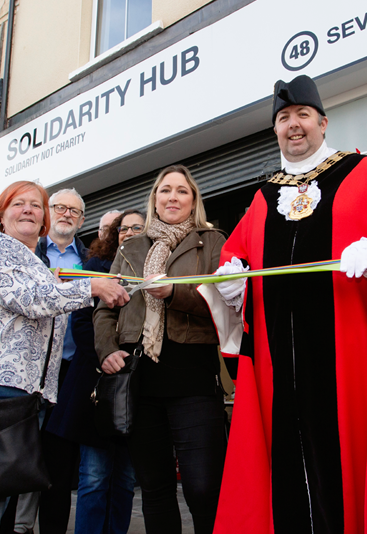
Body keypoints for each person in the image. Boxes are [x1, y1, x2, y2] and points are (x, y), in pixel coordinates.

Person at [208, 75, 367, 533]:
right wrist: (233, 284)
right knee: (285, 483)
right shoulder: (262, 198)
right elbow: (232, 258)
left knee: (350, 474)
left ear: (323, 123)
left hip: (349, 364)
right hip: (279, 371)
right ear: (275, 131)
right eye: (283, 118)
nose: (292, 126)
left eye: (302, 116)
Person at [0, 180, 129, 534]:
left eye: (35, 206)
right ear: (1, 217)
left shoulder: (31, 262)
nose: (28, 210)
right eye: (18, 203)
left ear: (43, 222)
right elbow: (31, 299)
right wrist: (92, 286)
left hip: (20, 396)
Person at [93, 165, 228, 534]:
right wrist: (106, 349)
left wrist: (175, 293)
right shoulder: (132, 246)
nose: (172, 197)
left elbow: (223, 301)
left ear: (193, 200)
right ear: (154, 198)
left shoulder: (212, 240)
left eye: (182, 191)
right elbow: (106, 305)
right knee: (154, 489)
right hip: (140, 381)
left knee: (203, 488)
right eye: (165, 190)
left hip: (194, 379)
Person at [47, 209, 146, 534]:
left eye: (137, 228)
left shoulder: (156, 270)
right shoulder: (94, 269)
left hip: (136, 384)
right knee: (94, 476)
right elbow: (79, 323)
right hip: (95, 383)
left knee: (125, 479)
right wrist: (106, 355)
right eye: (123, 229)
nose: (129, 233)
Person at [27, 187, 90, 534]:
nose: (66, 214)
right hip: (28, 371)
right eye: (60, 207)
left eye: (74, 211)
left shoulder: (89, 261)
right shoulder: (28, 252)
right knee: (16, 461)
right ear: (47, 212)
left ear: (82, 220)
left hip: (68, 372)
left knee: (59, 468)